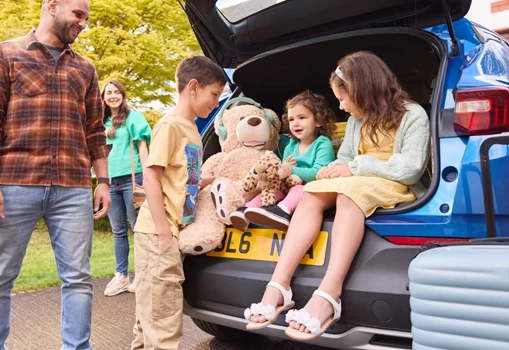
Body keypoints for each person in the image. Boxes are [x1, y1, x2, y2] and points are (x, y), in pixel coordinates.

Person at [244, 51, 430, 341]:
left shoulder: (413, 115)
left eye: (343, 98)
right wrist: (328, 171)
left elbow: (410, 168)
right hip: (357, 179)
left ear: (362, 89)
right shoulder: (357, 121)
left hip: (394, 182)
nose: (341, 106)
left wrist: (353, 168)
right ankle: (279, 286)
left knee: (348, 195)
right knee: (310, 193)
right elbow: (344, 157)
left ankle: (330, 293)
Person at [0, 0, 111, 349]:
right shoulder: (4, 53)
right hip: (13, 184)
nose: (83, 23)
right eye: (78, 15)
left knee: (78, 279)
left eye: (86, 18)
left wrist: (103, 182)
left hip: (72, 188)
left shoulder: (86, 68)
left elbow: (94, 130)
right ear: (52, 6)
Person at [131, 56, 227, 350]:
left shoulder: (192, 130)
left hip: (173, 230)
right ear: (193, 87)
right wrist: (163, 232)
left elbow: (186, 181)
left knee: (150, 314)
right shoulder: (171, 126)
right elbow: (151, 177)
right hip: (159, 231)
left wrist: (217, 179)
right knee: (164, 320)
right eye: (214, 95)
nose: (216, 103)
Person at [230, 90, 336, 232]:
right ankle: (248, 210)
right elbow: (282, 172)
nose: (296, 123)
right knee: (275, 188)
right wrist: (279, 172)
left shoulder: (323, 144)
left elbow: (318, 173)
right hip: (289, 186)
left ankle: (282, 211)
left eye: (302, 118)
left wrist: (291, 170)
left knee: (299, 189)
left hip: (313, 191)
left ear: (318, 121)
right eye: (291, 119)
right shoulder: (291, 146)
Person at [101, 80, 151, 297]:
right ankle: (122, 276)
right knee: (118, 231)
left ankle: (143, 275)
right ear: (103, 97)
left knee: (138, 229)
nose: (113, 96)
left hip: (132, 179)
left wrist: (148, 175)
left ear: (122, 95)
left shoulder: (133, 117)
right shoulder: (100, 121)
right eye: (108, 92)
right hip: (110, 183)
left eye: (116, 92)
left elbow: (142, 146)